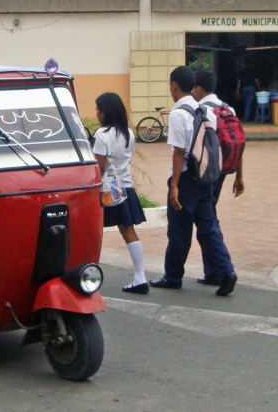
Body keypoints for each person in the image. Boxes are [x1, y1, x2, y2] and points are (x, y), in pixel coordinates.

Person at [150, 66, 238, 296]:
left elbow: (179, 152)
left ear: (174, 85)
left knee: (179, 229)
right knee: (209, 228)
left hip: (187, 178)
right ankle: (226, 271)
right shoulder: (206, 111)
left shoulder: (179, 114)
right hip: (206, 178)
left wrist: (175, 186)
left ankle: (173, 276)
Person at [92, 92, 149, 294]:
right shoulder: (129, 133)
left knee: (92, 230)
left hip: (106, 189)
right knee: (128, 230)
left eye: (98, 109)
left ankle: (86, 275)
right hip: (125, 186)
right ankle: (140, 277)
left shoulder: (102, 135)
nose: (96, 113)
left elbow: (99, 167)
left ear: (105, 112)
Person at [192, 68, 244, 286]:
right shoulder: (226, 108)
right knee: (208, 218)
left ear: (198, 88)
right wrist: (239, 176)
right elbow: (238, 144)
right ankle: (213, 272)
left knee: (207, 222)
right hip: (223, 171)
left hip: (206, 173)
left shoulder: (202, 110)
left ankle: (223, 270)